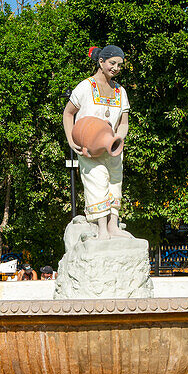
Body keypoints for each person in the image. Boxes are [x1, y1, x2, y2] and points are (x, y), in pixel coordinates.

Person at [62, 45, 131, 240]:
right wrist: (70, 139)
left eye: (119, 65)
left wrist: (119, 137)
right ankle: (102, 228)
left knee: (115, 182)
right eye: (112, 63)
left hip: (114, 147)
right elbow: (68, 113)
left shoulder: (121, 91)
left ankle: (113, 226)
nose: (116, 68)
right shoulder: (85, 87)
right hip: (89, 148)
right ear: (101, 62)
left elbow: (123, 122)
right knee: (97, 181)